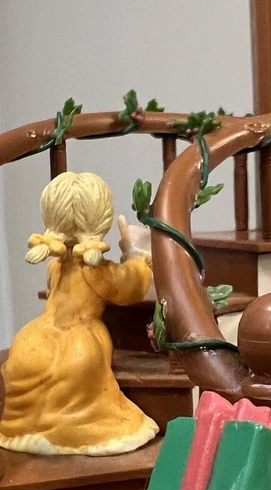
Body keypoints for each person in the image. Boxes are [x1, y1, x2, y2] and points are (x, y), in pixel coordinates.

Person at [0, 172, 158, 455]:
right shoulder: (95, 271)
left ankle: (25, 427)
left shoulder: (55, 263)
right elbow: (129, 286)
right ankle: (65, 431)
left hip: (38, 334)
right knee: (76, 380)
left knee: (26, 368)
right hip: (79, 337)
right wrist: (140, 258)